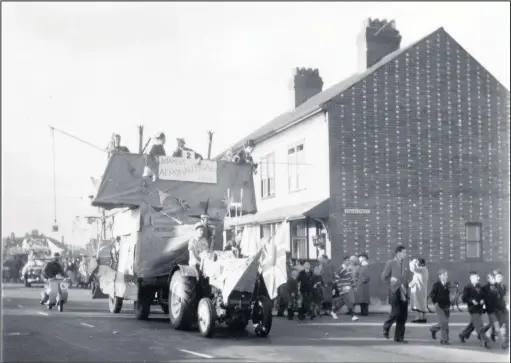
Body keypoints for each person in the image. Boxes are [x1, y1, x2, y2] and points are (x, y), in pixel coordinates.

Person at [381, 245, 409, 343]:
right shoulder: (390, 263)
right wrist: (391, 280)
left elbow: (405, 277)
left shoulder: (405, 263)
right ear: (398, 253)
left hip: (404, 291)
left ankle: (399, 337)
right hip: (394, 290)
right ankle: (386, 326)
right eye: (404, 252)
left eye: (405, 252)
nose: (405, 254)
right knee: (396, 312)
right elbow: (383, 278)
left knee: (403, 315)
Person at [459, 271, 491, 349]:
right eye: (477, 277)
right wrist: (471, 301)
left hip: (479, 309)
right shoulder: (467, 287)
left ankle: (462, 334)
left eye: (478, 276)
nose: (478, 278)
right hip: (473, 309)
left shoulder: (480, 286)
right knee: (479, 325)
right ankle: (484, 340)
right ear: (471, 278)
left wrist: (483, 300)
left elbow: (484, 296)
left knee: (473, 324)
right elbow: (464, 298)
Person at [481, 273, 507, 349]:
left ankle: (482, 333)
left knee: (491, 325)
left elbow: (502, 294)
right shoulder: (484, 288)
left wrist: (498, 288)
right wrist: (482, 304)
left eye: (493, 278)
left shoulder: (498, 286)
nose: (492, 280)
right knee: (496, 326)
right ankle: (502, 344)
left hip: (497, 310)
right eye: (490, 278)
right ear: (488, 279)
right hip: (490, 310)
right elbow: (482, 298)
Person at [332, 256, 359, 321]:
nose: (349, 262)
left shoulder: (348, 269)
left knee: (342, 302)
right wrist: (340, 287)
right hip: (343, 288)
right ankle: (353, 315)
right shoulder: (340, 269)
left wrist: (354, 286)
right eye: (348, 260)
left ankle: (333, 311)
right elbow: (336, 278)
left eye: (349, 260)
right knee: (349, 301)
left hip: (348, 288)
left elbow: (351, 278)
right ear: (344, 261)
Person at [429, 268, 451, 345]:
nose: (446, 276)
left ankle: (433, 329)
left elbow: (447, 295)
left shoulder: (448, 284)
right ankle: (444, 340)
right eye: (444, 275)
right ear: (440, 276)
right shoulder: (436, 285)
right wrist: (435, 302)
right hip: (439, 306)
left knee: (442, 323)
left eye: (447, 275)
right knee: (444, 323)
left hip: (446, 306)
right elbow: (432, 294)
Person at [409, 257, 429, 323]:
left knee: (418, 304)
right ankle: (423, 318)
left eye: (417, 263)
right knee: (422, 304)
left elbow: (412, 269)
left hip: (419, 290)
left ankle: (418, 318)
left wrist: (413, 262)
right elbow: (415, 279)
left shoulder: (421, 269)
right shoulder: (424, 270)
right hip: (421, 289)